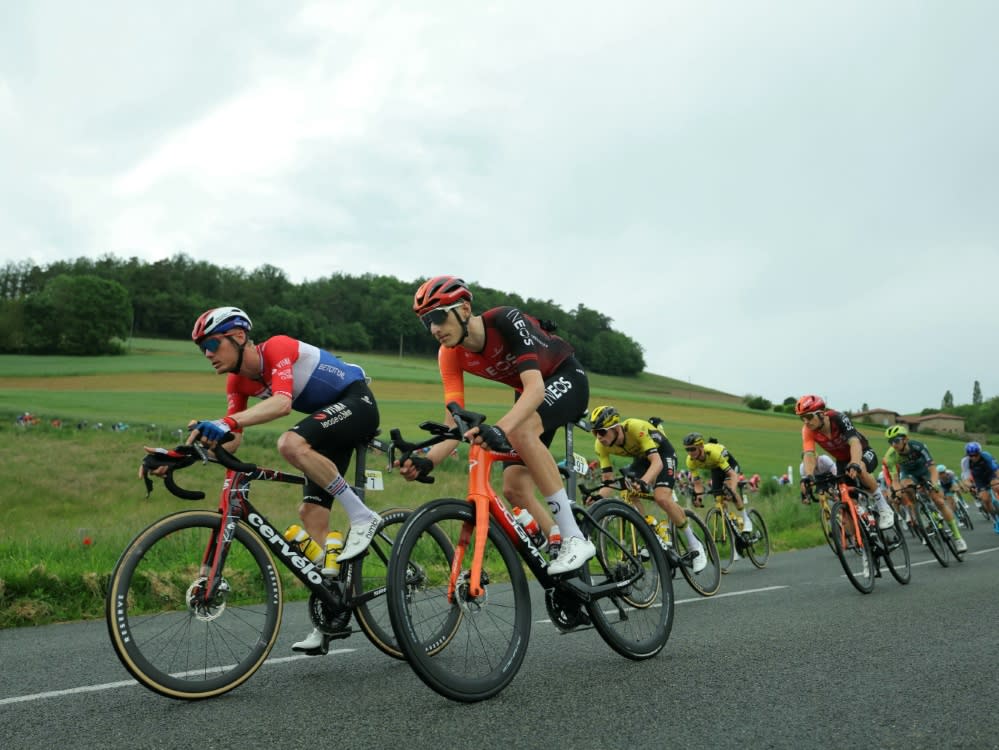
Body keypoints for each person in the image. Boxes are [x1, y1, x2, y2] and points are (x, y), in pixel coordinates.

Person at [183, 306, 382, 655]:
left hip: (356, 401)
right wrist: (186, 452)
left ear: (239, 336)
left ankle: (363, 515)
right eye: (203, 349)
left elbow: (281, 404)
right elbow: (234, 438)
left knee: (289, 443)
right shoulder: (237, 381)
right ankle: (330, 611)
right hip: (327, 426)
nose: (209, 354)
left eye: (213, 343)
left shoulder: (277, 348)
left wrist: (227, 423)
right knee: (310, 514)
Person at [397, 276, 594, 575]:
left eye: (438, 317)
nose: (434, 329)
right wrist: (427, 460)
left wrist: (500, 429)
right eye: (427, 323)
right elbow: (455, 423)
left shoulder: (505, 320)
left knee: (519, 431)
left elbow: (535, 390)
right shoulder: (449, 355)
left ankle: (574, 538)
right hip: (529, 393)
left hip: (563, 377)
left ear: (464, 310)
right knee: (514, 486)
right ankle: (558, 542)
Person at [589, 406, 707, 572]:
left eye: (601, 432)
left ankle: (695, 545)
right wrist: (597, 497)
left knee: (661, 498)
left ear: (615, 427)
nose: (598, 437)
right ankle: (651, 532)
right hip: (642, 459)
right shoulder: (601, 446)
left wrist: (645, 481)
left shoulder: (635, 428)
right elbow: (608, 482)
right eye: (594, 433)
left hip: (662, 454)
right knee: (626, 489)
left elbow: (657, 463)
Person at [795, 394, 895, 530]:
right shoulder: (808, 430)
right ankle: (865, 539)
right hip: (842, 461)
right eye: (802, 418)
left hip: (863, 452)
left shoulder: (838, 418)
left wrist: (854, 462)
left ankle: (884, 508)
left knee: (860, 468)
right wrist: (808, 477)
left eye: (809, 416)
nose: (806, 421)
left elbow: (854, 442)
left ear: (821, 413)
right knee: (847, 503)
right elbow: (809, 454)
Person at [882, 425, 967, 552]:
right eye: (890, 442)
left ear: (905, 439)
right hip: (909, 474)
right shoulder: (890, 456)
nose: (894, 444)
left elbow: (932, 468)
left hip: (925, 471)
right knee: (905, 486)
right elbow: (895, 480)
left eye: (896, 440)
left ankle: (958, 538)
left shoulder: (918, 446)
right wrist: (897, 491)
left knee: (938, 501)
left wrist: (934, 483)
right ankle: (921, 510)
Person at [682, 432, 753, 535]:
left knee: (729, 492)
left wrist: (732, 491)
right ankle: (731, 526)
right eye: (687, 449)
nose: (690, 453)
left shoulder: (713, 453)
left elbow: (732, 475)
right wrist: (699, 498)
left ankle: (746, 519)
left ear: (701, 446)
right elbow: (697, 483)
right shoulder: (690, 461)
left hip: (729, 465)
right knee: (719, 499)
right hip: (715, 469)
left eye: (692, 449)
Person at [961, 441, 999, 533]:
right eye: (971, 455)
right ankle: (995, 520)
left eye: (976, 455)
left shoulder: (986, 456)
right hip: (979, 479)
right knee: (985, 499)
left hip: (990, 474)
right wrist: (969, 486)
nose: (973, 457)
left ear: (980, 453)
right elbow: (966, 477)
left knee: (996, 486)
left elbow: (996, 470)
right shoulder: (965, 461)